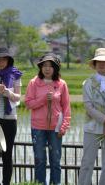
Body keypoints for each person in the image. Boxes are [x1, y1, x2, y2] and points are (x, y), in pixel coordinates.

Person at [24, 53, 71, 185]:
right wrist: (43, 99)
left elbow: (66, 107)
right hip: (38, 127)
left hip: (56, 128)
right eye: (44, 65)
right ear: (40, 67)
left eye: (51, 66)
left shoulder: (61, 84)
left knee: (55, 160)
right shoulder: (34, 83)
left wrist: (64, 126)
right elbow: (28, 103)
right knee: (39, 160)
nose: (47, 69)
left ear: (56, 68)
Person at [78, 48, 105, 185]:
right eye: (99, 61)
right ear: (95, 64)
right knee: (87, 162)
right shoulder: (87, 83)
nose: (102, 64)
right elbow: (88, 106)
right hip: (91, 126)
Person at [0, 47, 22, 185]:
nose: (1, 62)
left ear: (9, 60)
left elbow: (18, 97)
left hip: (9, 119)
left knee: (7, 155)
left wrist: (6, 92)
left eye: (4, 59)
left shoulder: (15, 75)